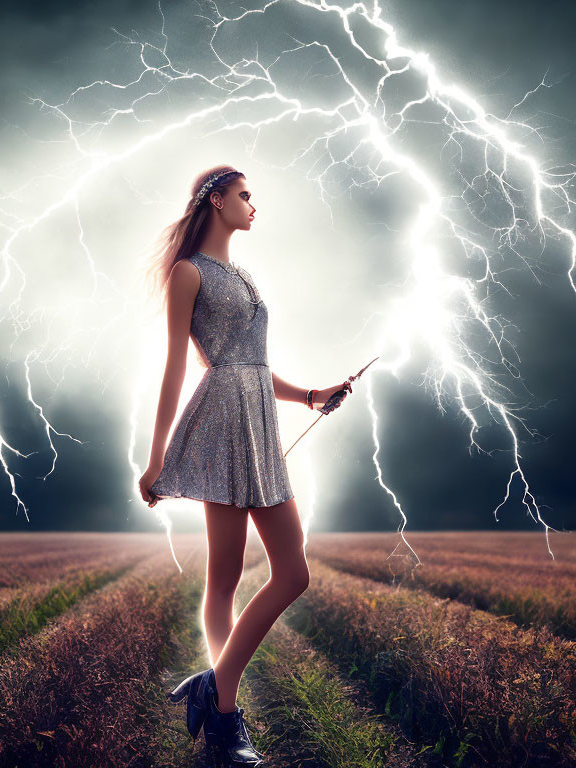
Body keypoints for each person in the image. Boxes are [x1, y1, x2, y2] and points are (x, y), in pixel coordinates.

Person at [138, 165, 351, 765]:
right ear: (216, 199)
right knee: (225, 576)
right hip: (221, 425)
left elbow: (256, 365)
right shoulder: (188, 273)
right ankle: (226, 724)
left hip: (260, 416)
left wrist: (310, 395)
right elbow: (180, 366)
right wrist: (155, 459)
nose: (253, 205)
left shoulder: (245, 276)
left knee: (293, 571)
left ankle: (213, 686)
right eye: (245, 195)